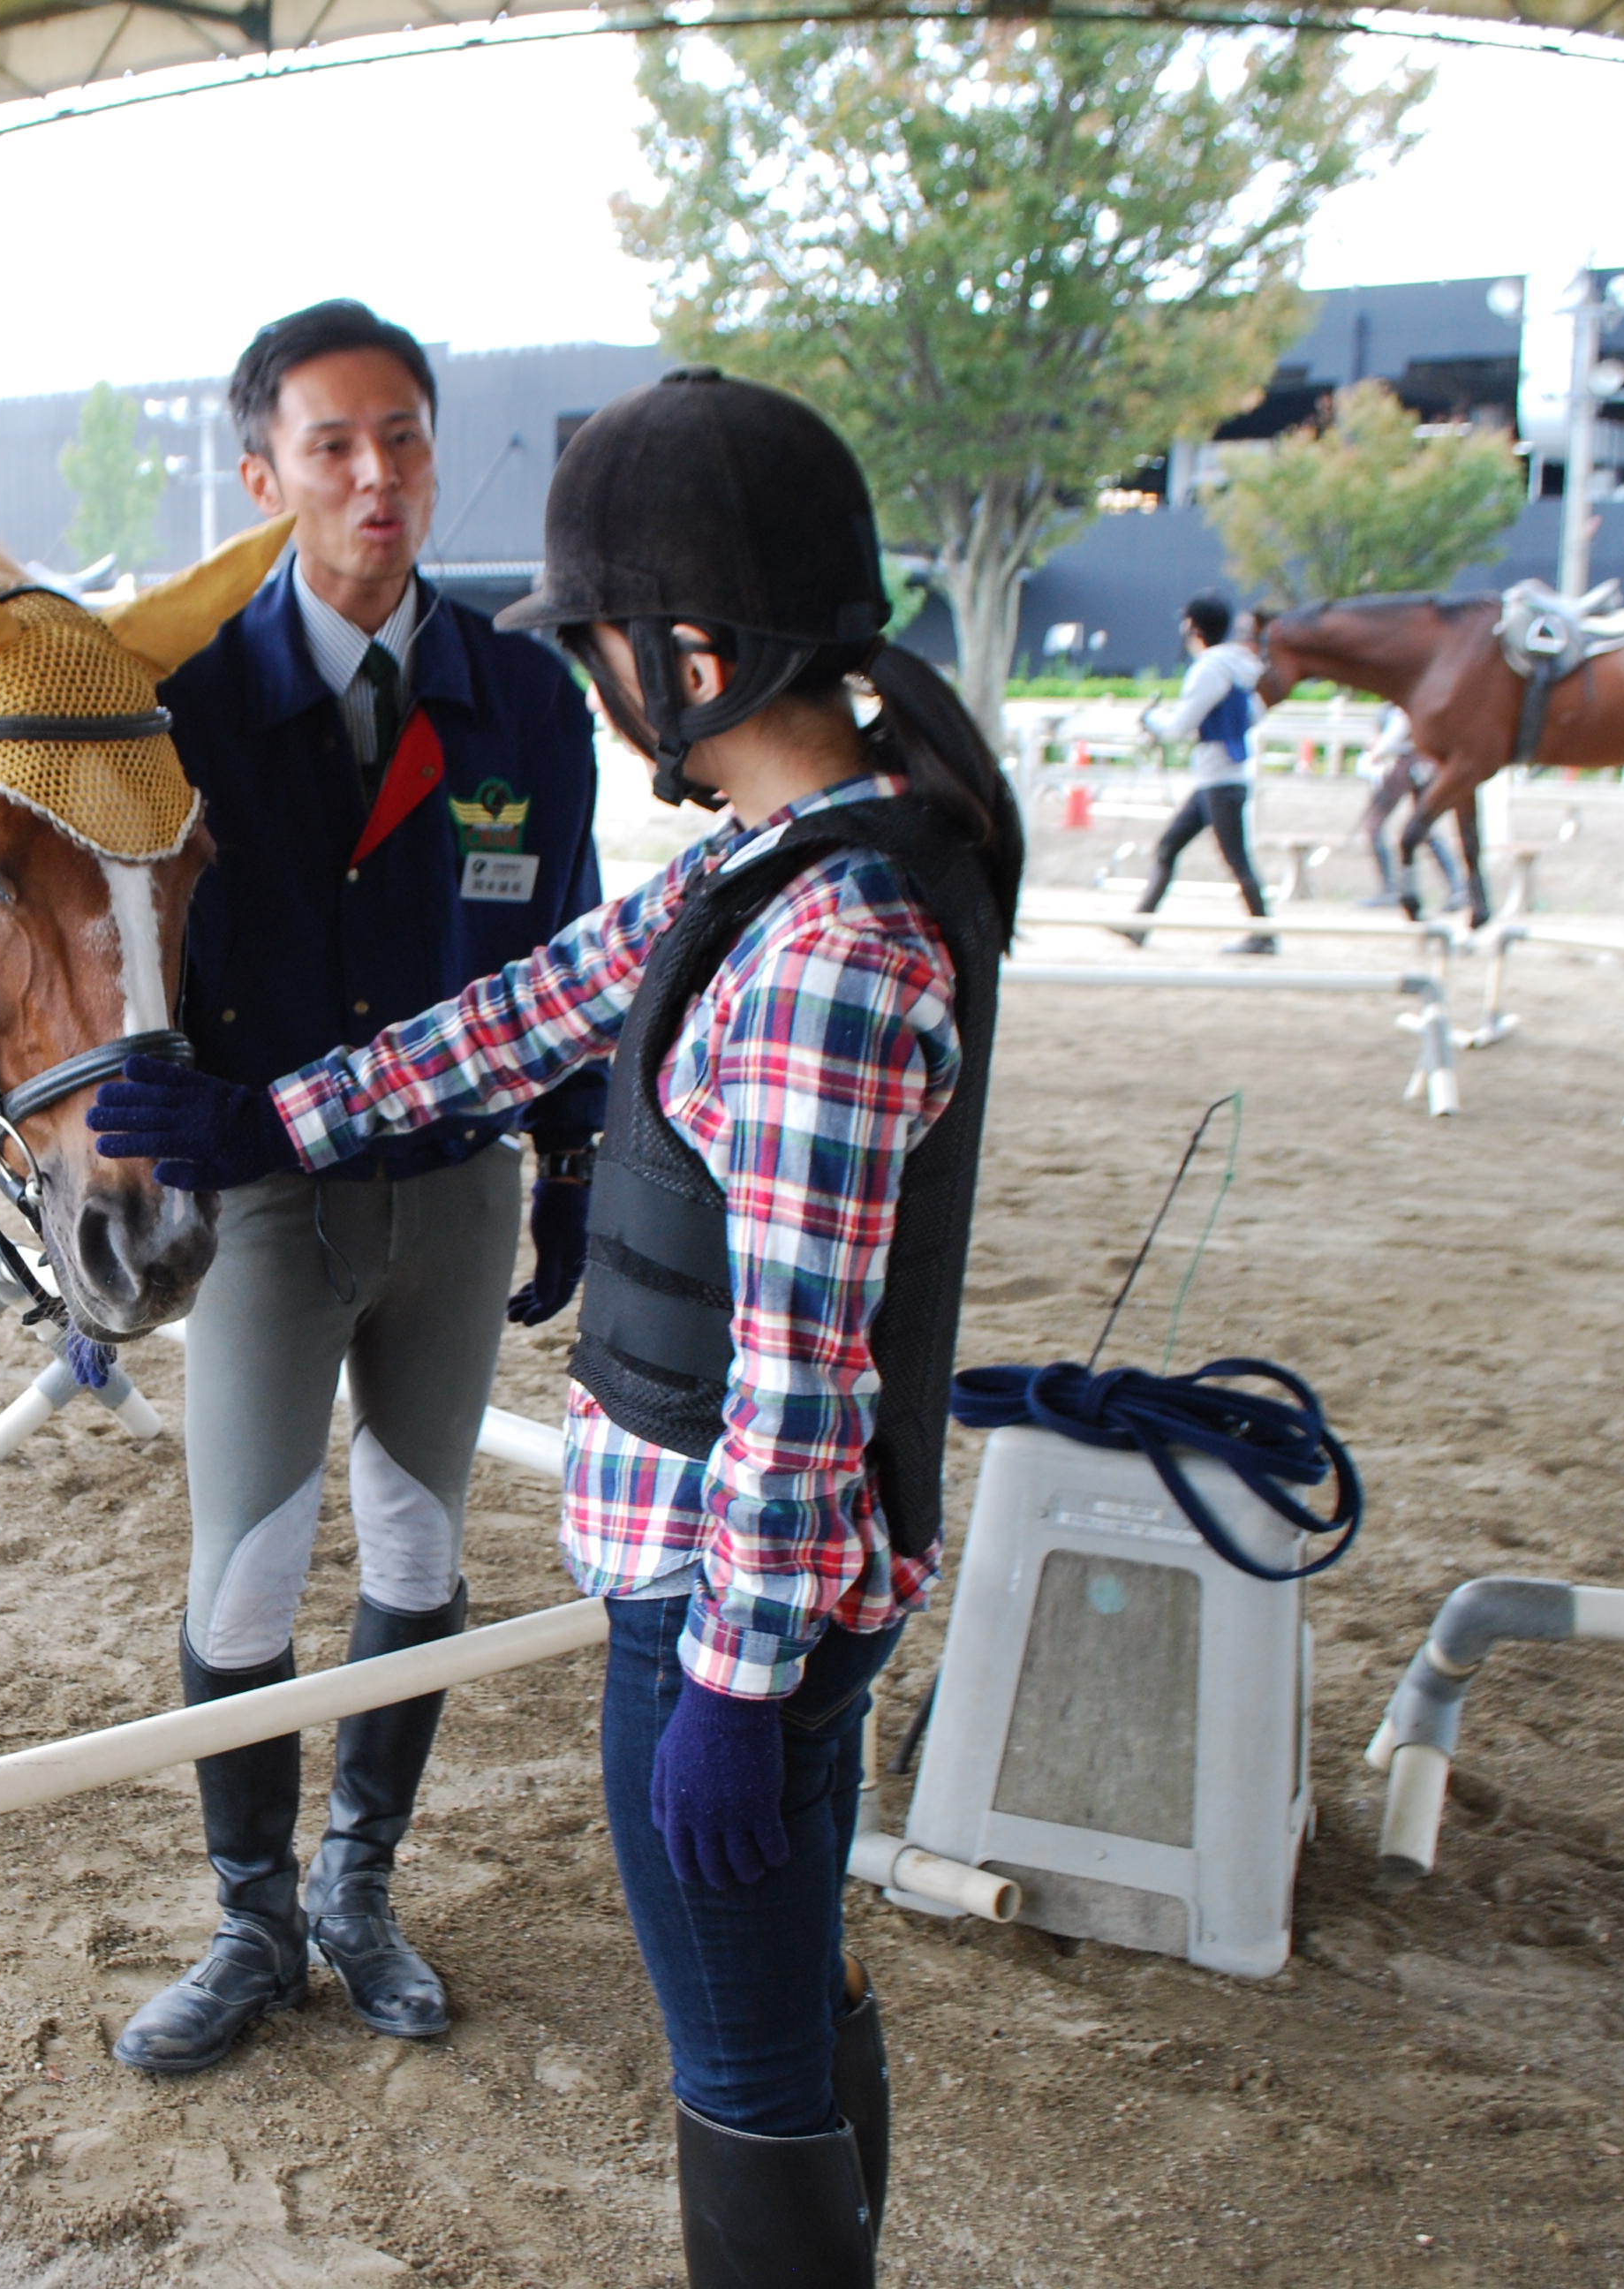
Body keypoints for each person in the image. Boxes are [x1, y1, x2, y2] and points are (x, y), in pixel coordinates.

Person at [92, 367, 1022, 2285]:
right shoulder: (783, 865)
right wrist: (276, 1118)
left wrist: (743, 1690)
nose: (589, 685)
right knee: (786, 2014)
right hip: (719, 1598)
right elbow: (529, 1009)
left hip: (723, 1615)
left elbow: (797, 1380)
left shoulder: (834, 948)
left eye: (602, 646)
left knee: (748, 2069)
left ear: (687, 653)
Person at [106, 299, 608, 2078]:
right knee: (242, 1581)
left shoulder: (527, 699)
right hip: (258, 1204)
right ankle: (245, 1917)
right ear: (261, 476)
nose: (375, 473)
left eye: (400, 435)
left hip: (452, 1192)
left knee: (414, 1542)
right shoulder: (177, 706)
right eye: (331, 444)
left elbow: (561, 943)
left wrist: (571, 1147)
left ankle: (356, 1887)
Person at [1129, 593, 1273, 954]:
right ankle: (1139, 924)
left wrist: (1151, 721)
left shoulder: (1209, 668)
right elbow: (1255, 715)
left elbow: (1180, 725)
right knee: (1168, 846)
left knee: (1236, 859)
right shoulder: (1242, 665)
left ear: (1195, 627)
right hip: (1221, 777)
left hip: (1218, 780)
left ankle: (1265, 935)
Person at [1353, 706, 1466, 911]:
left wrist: (1376, 752)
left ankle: (1390, 889)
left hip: (1405, 761)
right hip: (1422, 762)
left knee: (1375, 824)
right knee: (1424, 828)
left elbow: (1400, 725)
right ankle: (1456, 888)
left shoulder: (1401, 700)